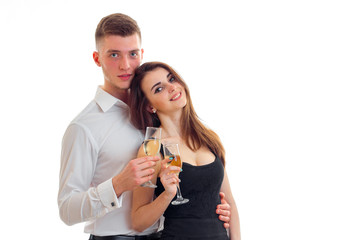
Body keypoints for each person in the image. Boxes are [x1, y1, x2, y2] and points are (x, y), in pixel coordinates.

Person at [58, 13, 231, 240]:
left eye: (132, 54)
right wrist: (118, 185)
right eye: (113, 55)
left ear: (141, 53)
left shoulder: (158, 109)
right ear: (97, 58)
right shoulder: (84, 127)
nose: (125, 65)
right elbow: (66, 210)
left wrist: (213, 208)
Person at [129, 62, 241, 239]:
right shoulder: (152, 149)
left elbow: (231, 204)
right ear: (150, 107)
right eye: (159, 89)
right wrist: (168, 195)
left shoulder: (209, 138)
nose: (172, 87)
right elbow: (138, 222)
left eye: (171, 79)